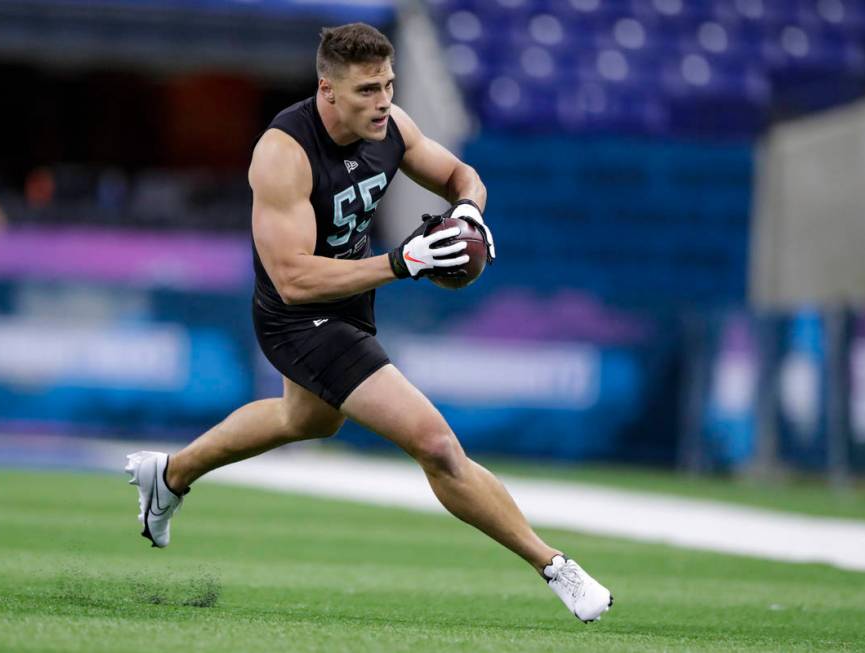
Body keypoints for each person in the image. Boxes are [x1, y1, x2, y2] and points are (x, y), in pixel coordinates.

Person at [126, 22, 613, 623]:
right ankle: (554, 565)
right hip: (298, 316)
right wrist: (400, 262)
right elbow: (293, 280)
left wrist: (468, 214)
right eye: (365, 91)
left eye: (387, 85)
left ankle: (169, 475)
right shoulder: (284, 152)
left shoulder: (392, 125)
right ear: (327, 90)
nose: (381, 101)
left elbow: (465, 176)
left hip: (350, 297)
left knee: (304, 419)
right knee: (435, 444)